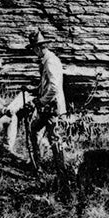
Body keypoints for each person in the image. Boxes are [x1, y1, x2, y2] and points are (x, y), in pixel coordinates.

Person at [24, 30, 66, 167]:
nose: (34, 52)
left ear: (38, 48)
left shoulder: (50, 61)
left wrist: (41, 101)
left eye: (34, 49)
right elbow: (46, 86)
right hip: (47, 108)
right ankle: (38, 164)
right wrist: (33, 90)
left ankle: (62, 172)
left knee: (54, 138)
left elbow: (54, 88)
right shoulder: (47, 60)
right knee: (34, 129)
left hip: (52, 108)